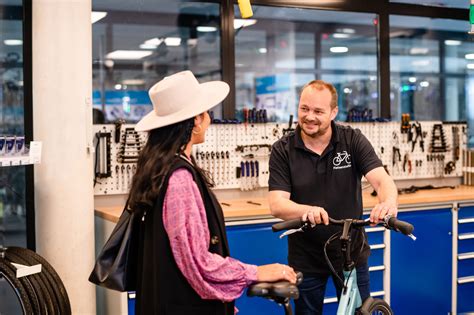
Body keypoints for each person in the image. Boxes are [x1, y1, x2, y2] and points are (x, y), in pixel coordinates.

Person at [129, 70, 297, 315]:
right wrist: (257, 272)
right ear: (195, 120)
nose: (208, 118)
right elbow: (199, 263)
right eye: (206, 113)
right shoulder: (179, 180)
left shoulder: (157, 169)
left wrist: (222, 300)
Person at [268, 80, 398, 314]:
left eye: (318, 111)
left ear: (333, 112)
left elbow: (381, 180)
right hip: (306, 257)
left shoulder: (352, 140)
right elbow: (277, 204)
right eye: (304, 109)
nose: (310, 117)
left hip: (351, 254)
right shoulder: (283, 149)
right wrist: (306, 211)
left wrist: (388, 202)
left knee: (359, 311)